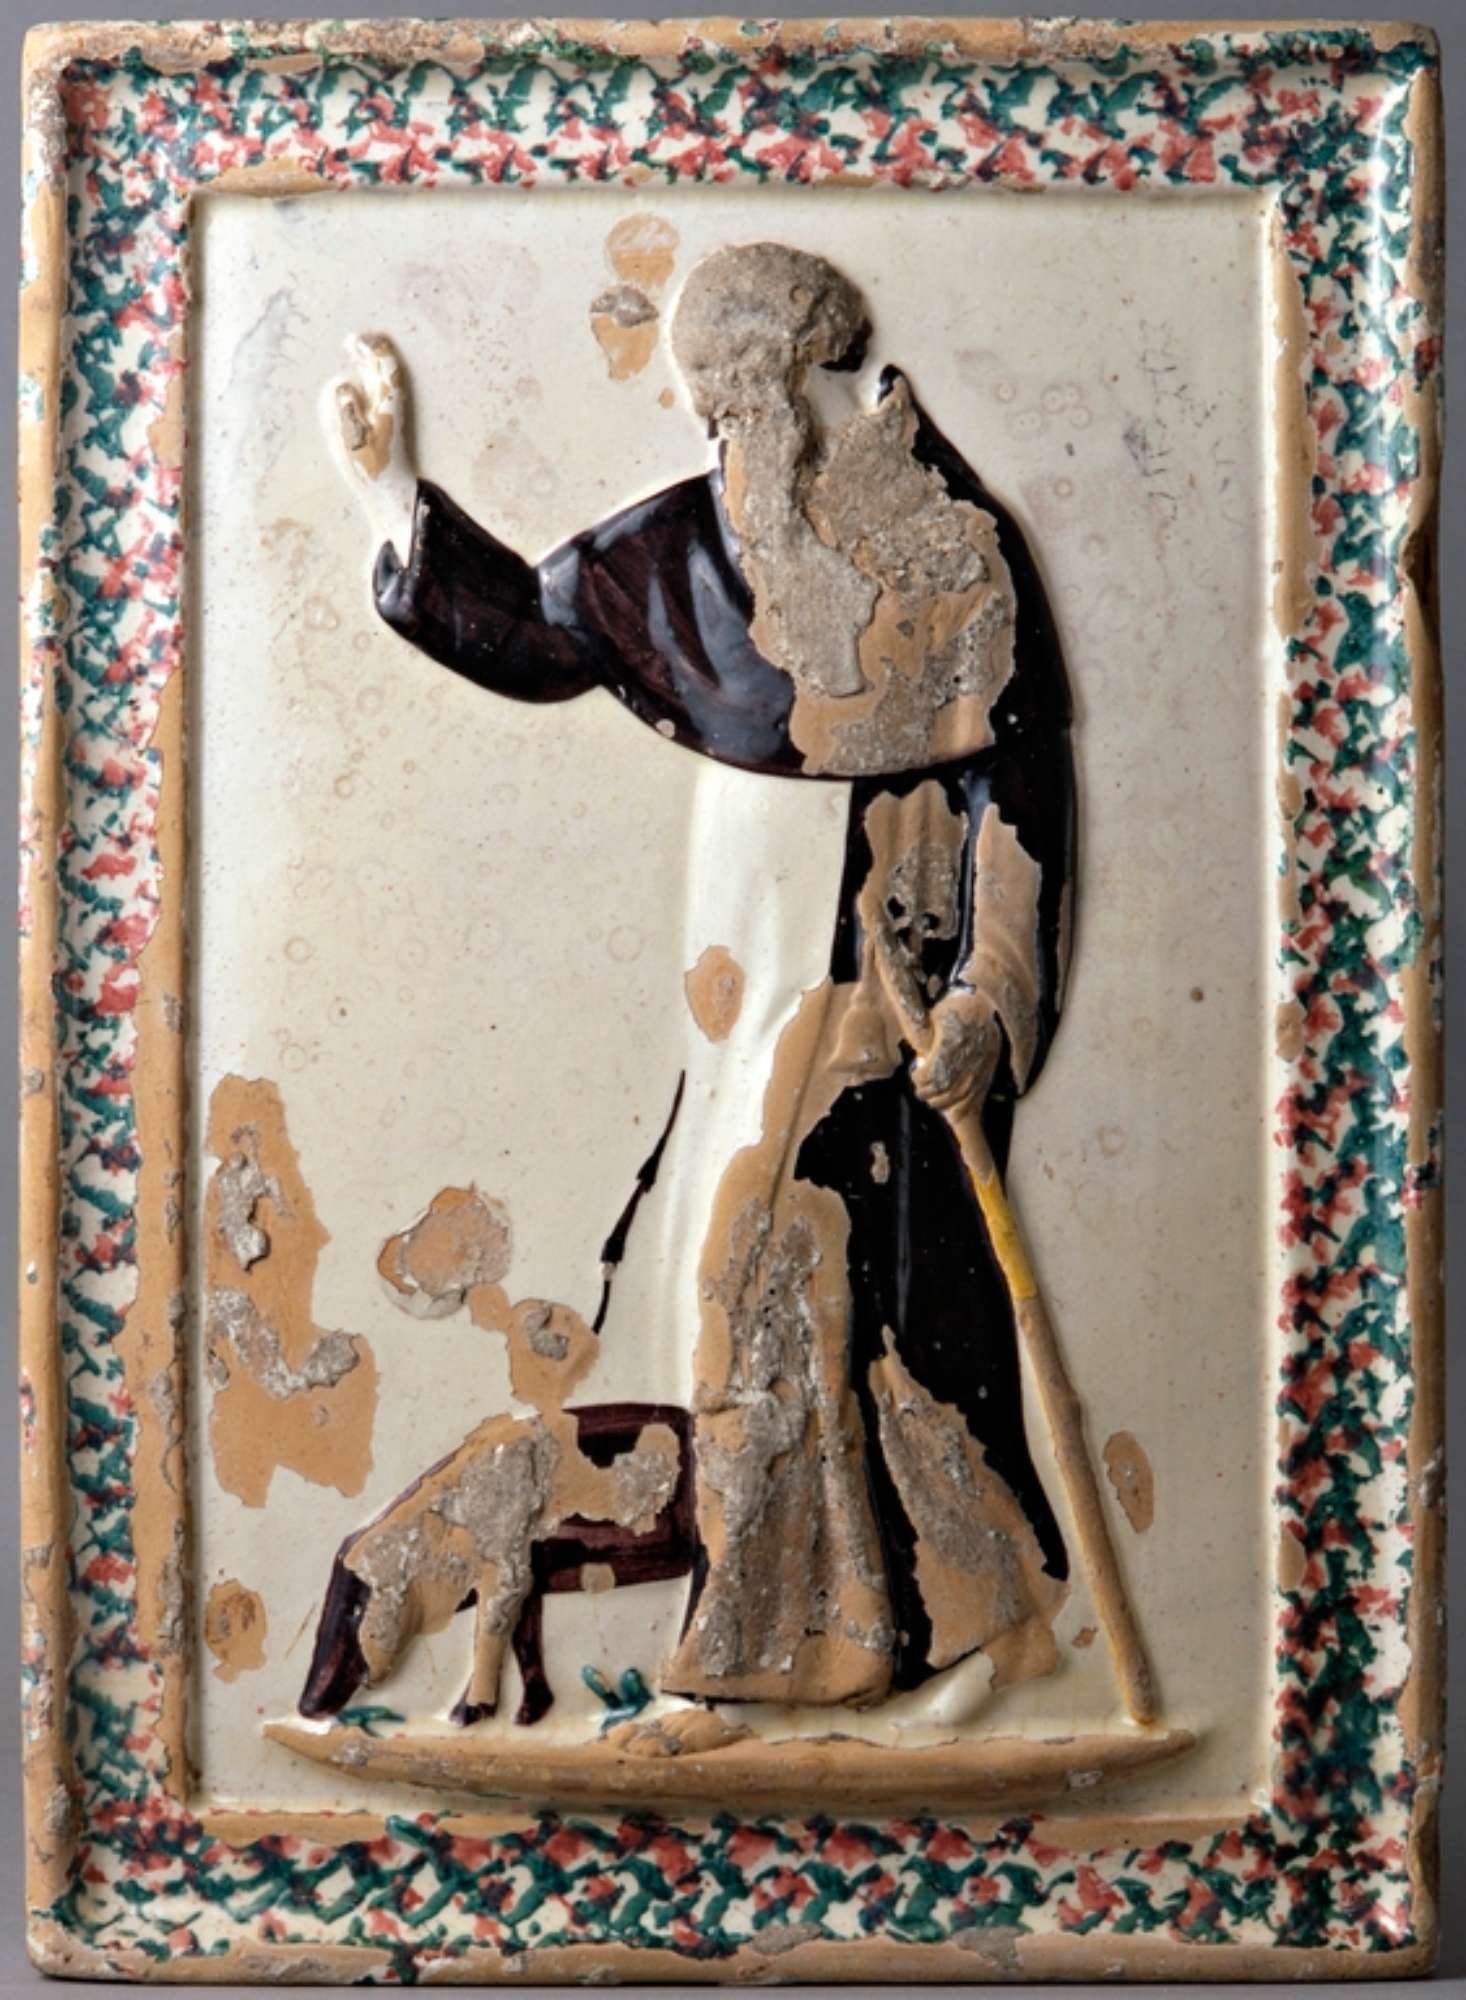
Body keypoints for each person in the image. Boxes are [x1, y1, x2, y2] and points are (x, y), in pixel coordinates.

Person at [318, 241, 1077, 1716]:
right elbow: (546, 627)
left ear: (781, 381)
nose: (701, 422)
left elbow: (1019, 788)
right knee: (822, 1302)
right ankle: (962, 1632)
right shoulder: (710, 539)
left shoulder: (952, 553)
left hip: (880, 963)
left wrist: (990, 995)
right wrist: (389, 495)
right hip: (743, 983)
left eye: (721, 394)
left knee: (790, 1276)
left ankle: (807, 1663)